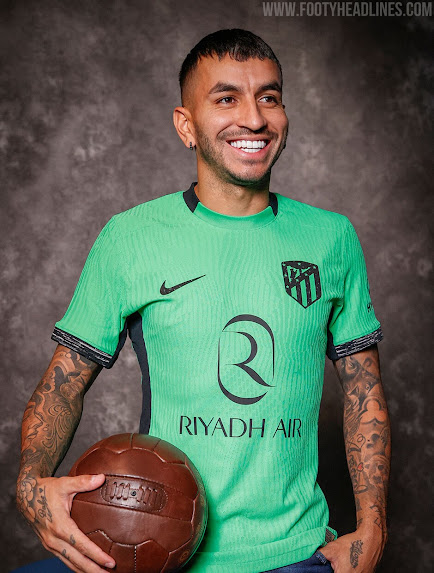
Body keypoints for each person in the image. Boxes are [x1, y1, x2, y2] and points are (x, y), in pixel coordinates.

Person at [16, 29, 390, 573]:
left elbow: (362, 388)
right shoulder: (130, 238)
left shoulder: (332, 238)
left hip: (296, 555)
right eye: (226, 99)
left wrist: (373, 526)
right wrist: (31, 485)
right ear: (186, 125)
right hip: (162, 555)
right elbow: (63, 384)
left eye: (269, 97)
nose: (254, 119)